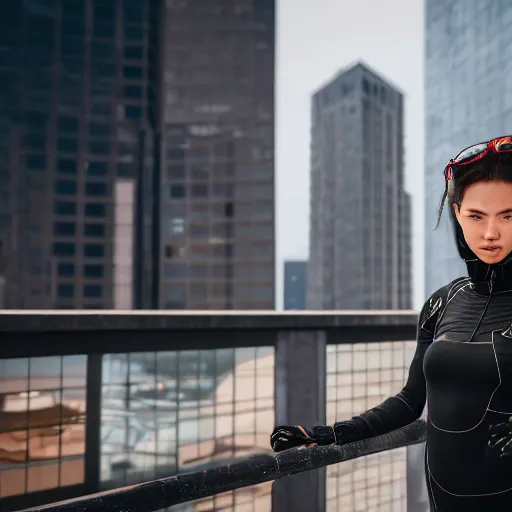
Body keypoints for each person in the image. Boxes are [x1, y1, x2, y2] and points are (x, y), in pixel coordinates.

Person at [270, 135, 512, 511]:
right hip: (444, 499)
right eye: (476, 216)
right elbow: (410, 401)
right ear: (458, 213)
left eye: (508, 216)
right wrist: (333, 433)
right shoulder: (442, 301)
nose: (491, 233)